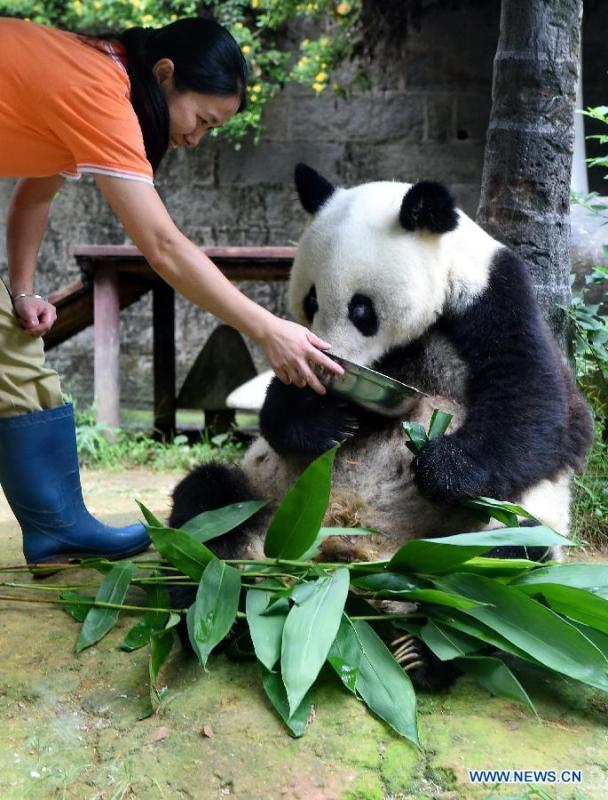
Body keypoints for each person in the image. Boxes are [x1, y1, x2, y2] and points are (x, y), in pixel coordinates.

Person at [0, 15, 342, 569]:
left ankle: (57, 529)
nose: (194, 138)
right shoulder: (99, 91)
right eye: (201, 119)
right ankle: (58, 527)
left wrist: (21, 292)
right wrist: (268, 328)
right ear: (164, 74)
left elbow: (34, 195)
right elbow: (162, 245)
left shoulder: (93, 82)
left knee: (13, 353)